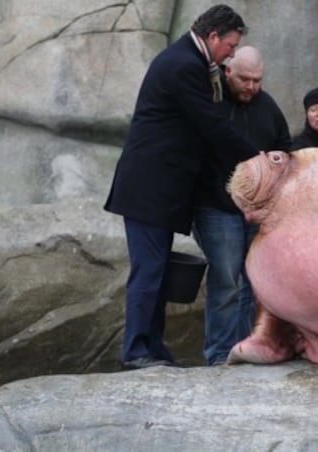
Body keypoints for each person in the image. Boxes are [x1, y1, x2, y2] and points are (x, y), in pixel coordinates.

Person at [104, 4, 259, 371]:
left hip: (159, 189)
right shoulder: (184, 66)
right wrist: (257, 160)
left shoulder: (190, 61)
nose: (232, 54)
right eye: (231, 46)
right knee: (149, 271)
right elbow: (210, 126)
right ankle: (137, 350)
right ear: (213, 36)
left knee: (157, 271)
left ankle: (152, 347)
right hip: (149, 188)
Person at [194, 46, 291, 365]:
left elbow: (285, 151)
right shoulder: (211, 103)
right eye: (246, 79)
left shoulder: (268, 107)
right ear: (228, 72)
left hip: (259, 211)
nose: (252, 87)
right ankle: (220, 354)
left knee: (256, 283)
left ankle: (249, 347)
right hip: (216, 207)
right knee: (227, 282)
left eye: (258, 80)